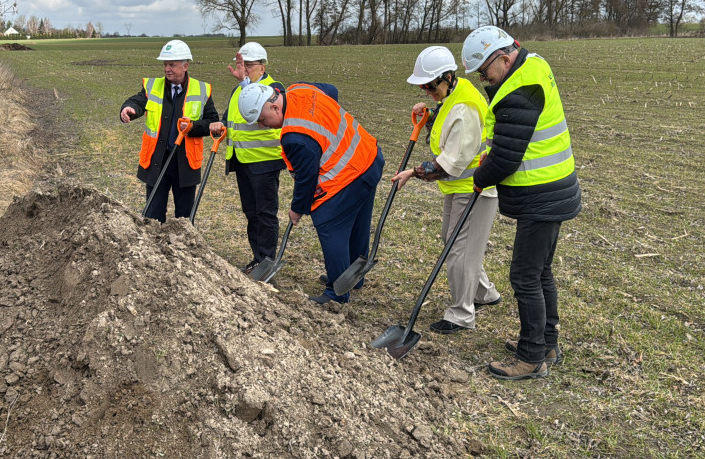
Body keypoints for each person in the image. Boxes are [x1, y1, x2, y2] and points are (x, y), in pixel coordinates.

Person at [462, 26, 581, 381]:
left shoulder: (517, 89)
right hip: (554, 187)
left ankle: (531, 357)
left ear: (502, 58)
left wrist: (481, 176)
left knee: (525, 275)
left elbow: (505, 160)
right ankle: (547, 345)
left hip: (541, 193)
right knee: (540, 271)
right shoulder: (534, 64)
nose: (483, 79)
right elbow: (513, 142)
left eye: (484, 71)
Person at [237, 81, 384, 304]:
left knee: (329, 224)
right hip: (369, 157)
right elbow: (332, 91)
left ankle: (336, 294)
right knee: (357, 223)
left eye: (263, 120)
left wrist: (297, 209)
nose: (262, 125)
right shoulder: (300, 89)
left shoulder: (295, 137)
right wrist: (325, 122)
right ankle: (352, 277)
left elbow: (307, 179)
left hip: (349, 174)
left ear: (275, 107)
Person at [392, 46, 500, 334]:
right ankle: (484, 293)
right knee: (452, 241)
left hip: (475, 188)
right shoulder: (453, 95)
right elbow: (446, 126)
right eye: (423, 87)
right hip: (460, 185)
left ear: (448, 77)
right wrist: (429, 115)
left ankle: (462, 314)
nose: (428, 92)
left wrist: (413, 173)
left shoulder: (465, 108)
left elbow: (447, 164)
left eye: (431, 86)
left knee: (459, 249)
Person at [120, 40, 219, 222]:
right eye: (165, 64)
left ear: (185, 66)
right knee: (153, 217)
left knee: (184, 219)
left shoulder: (202, 89)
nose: (167, 69)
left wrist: (193, 127)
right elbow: (138, 101)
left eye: (172, 65)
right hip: (157, 160)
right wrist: (129, 108)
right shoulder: (152, 86)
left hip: (185, 162)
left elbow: (213, 122)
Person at [208, 42, 285, 273]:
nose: (244, 69)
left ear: (263, 67)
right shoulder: (238, 91)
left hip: (264, 161)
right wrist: (220, 124)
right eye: (242, 64)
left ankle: (266, 262)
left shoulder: (274, 89)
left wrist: (244, 82)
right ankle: (257, 258)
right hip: (242, 160)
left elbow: (261, 105)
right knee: (251, 213)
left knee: (265, 214)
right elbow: (230, 118)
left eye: (249, 65)